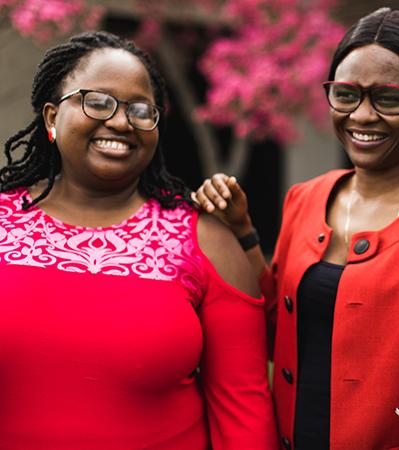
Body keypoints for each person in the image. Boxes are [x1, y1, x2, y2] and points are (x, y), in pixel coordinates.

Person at [194, 7, 399, 450]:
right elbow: (276, 335)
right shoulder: (305, 197)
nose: (362, 116)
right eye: (346, 94)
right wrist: (242, 232)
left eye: (388, 97)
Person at [0, 31, 278, 449]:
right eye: (97, 101)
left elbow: (243, 415)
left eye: (140, 110)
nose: (120, 121)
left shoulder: (204, 238)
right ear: (52, 117)